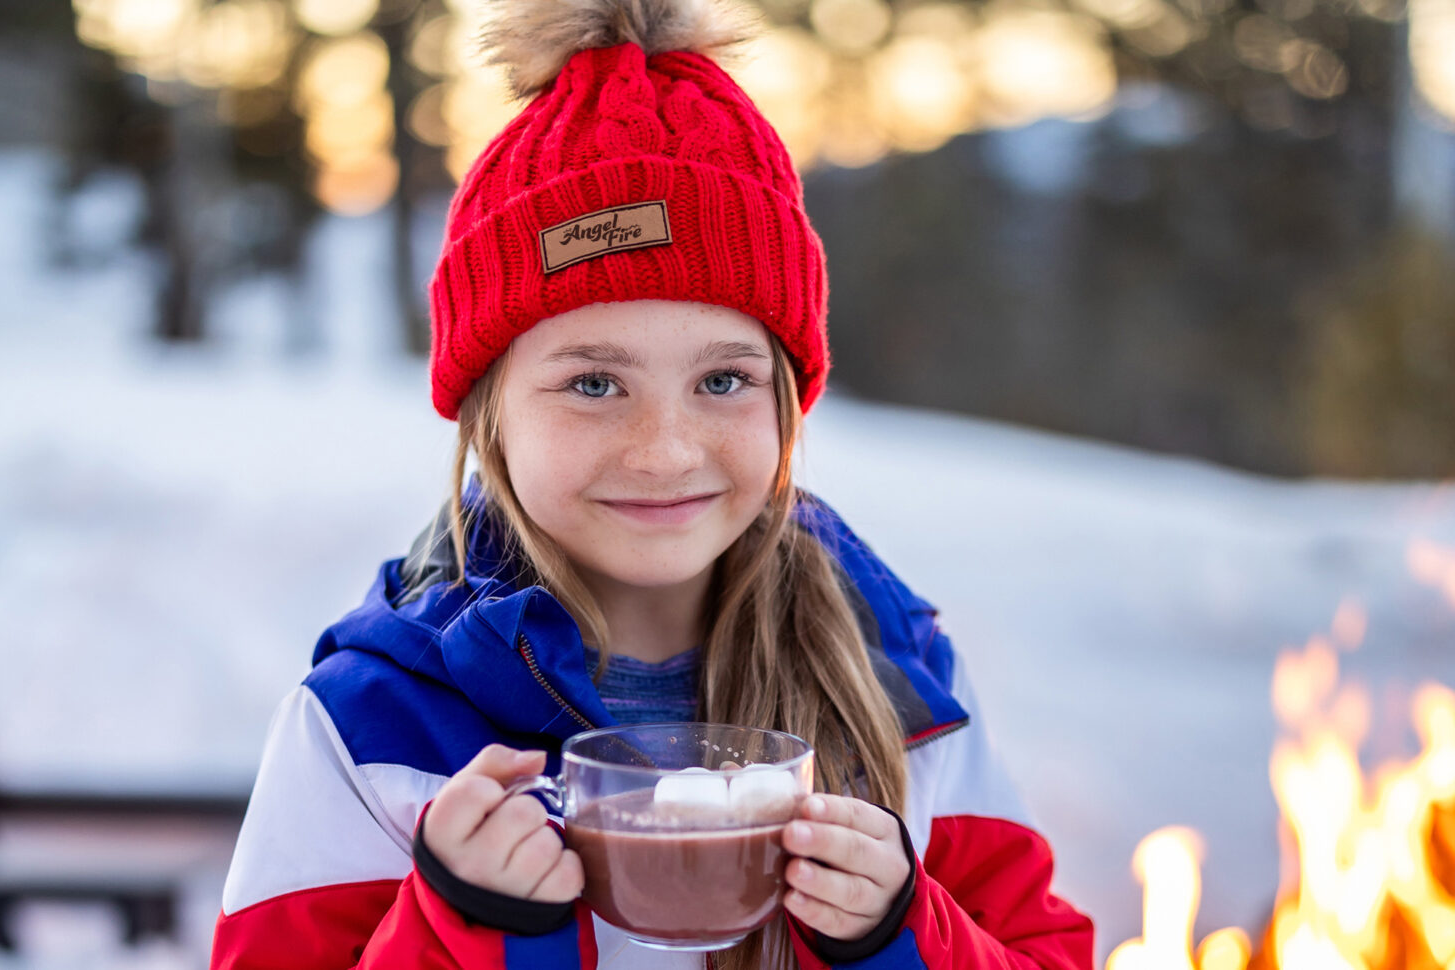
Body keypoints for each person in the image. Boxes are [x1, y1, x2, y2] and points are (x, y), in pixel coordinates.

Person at [210, 1, 1095, 967]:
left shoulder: (897, 684)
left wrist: (900, 933)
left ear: (787, 400)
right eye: (594, 383)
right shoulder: (374, 732)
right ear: (489, 409)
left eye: (722, 381)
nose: (666, 450)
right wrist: (461, 929)